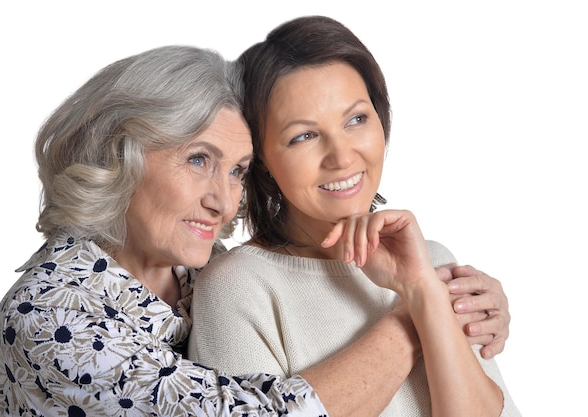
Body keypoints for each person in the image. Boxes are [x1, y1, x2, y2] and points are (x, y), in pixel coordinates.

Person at [0, 44, 511, 417]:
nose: (222, 200)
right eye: (198, 159)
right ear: (115, 156)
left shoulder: (193, 268)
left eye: (238, 169)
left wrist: (460, 302)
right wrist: (420, 310)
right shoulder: (51, 316)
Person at [188, 16, 521, 417]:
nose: (342, 157)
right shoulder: (236, 288)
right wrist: (414, 313)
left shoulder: (430, 260)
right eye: (303, 136)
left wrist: (421, 288)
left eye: (356, 119)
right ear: (262, 160)